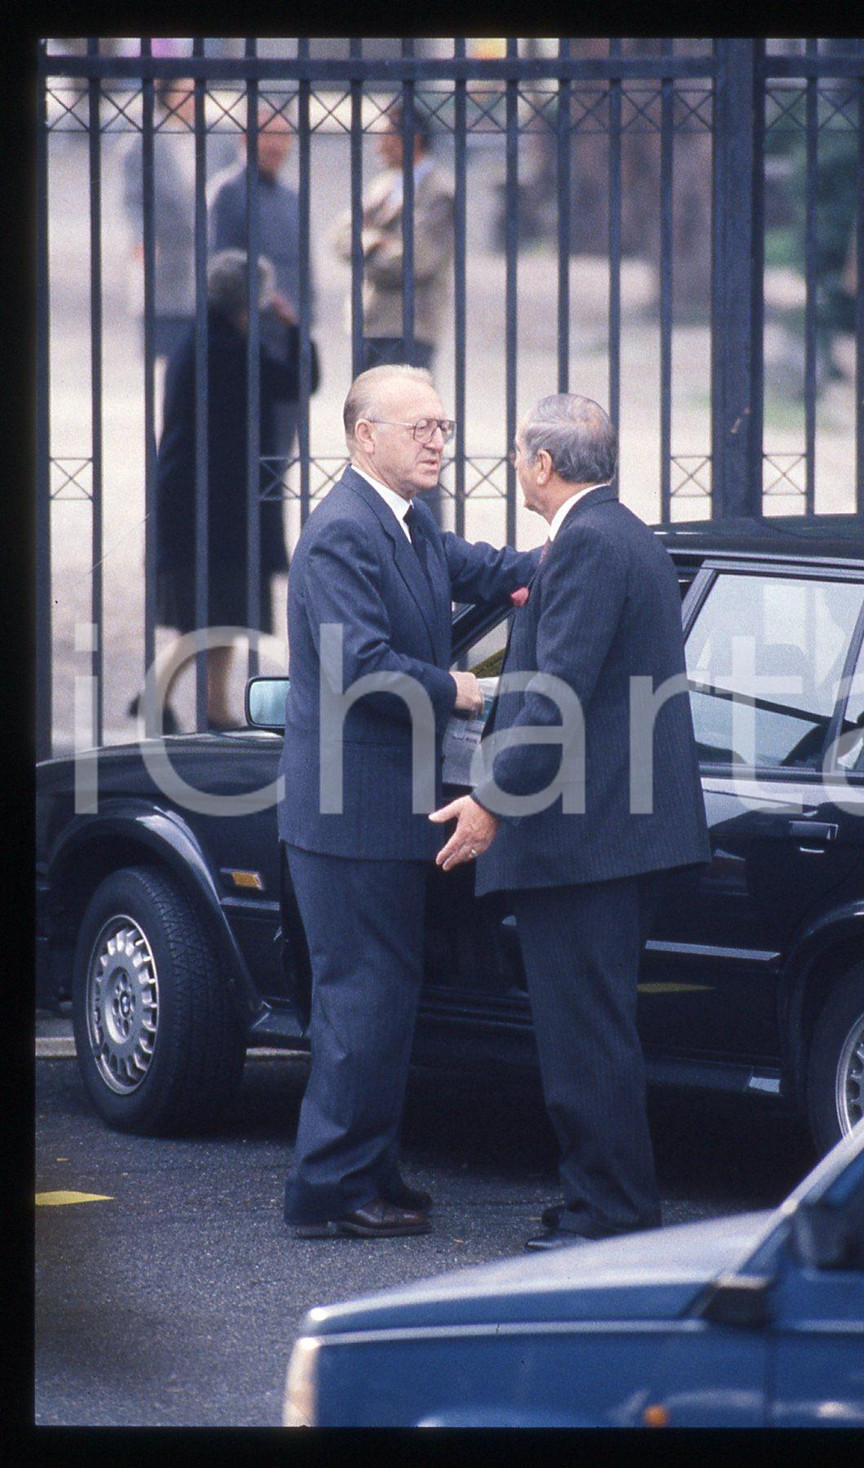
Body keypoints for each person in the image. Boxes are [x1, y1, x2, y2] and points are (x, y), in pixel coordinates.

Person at [430, 394, 711, 1251]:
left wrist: (487, 802)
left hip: (588, 844)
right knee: (595, 1033)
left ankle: (610, 1215)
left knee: (584, 1041)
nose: (516, 466)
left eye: (519, 454)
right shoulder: (624, 532)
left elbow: (558, 697)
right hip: (618, 839)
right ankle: (601, 1198)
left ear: (543, 465)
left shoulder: (588, 543)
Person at [279, 364, 539, 1239]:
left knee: (385, 1000)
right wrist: (457, 688)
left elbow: (493, 567)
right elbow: (361, 668)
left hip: (389, 812)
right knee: (360, 1001)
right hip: (350, 817)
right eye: (420, 428)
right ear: (364, 436)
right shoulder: (340, 535)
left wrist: (580, 537)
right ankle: (330, 1194)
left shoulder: (408, 523)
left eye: (443, 426)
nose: (438, 441)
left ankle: (370, 1171)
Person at [149, 248, 320, 730]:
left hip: (205, 500)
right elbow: (299, 381)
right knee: (217, 616)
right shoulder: (229, 349)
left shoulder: (205, 340)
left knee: (217, 617)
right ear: (252, 301)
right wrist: (292, 327)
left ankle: (208, 707)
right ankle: (180, 700)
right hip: (218, 506)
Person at [209, 107, 314, 491]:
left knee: (276, 469)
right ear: (245, 139)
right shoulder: (228, 193)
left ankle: (271, 549)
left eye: (283, 135)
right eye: (267, 134)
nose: (276, 145)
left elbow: (306, 275)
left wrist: (301, 329)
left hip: (283, 352)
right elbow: (219, 271)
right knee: (240, 469)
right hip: (244, 352)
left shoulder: (292, 197)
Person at [331, 104, 454, 376]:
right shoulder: (383, 186)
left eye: (385, 137)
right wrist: (376, 242)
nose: (377, 147)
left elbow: (414, 261)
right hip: (368, 323)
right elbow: (339, 237)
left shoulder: (438, 193)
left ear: (413, 139)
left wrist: (362, 247)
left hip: (410, 327)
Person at [122, 75, 198, 363]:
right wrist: (142, 237)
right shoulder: (143, 141)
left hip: (198, 256)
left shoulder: (211, 139)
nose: (192, 101)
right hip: (163, 250)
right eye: (185, 93)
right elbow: (132, 199)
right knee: (166, 345)